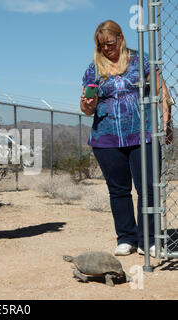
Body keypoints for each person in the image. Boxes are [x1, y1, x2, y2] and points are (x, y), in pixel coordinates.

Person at [80, 20, 173, 257]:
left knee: (148, 189)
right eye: (101, 46)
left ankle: (149, 240)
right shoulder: (93, 69)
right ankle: (126, 238)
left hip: (143, 134)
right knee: (118, 190)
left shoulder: (140, 60)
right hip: (106, 139)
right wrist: (87, 104)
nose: (106, 49)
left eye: (110, 44)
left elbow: (162, 90)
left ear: (120, 38)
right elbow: (87, 109)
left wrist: (166, 121)